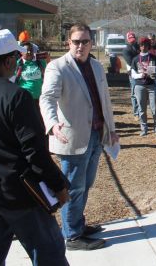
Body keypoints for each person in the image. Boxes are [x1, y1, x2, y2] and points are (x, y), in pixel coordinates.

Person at [0, 29, 69, 265]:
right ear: (8, 61)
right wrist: (58, 186)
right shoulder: (16, 97)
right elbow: (35, 152)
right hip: (21, 197)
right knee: (50, 256)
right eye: (16, 57)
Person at [40, 23, 119, 251]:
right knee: (73, 187)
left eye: (85, 41)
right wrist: (52, 124)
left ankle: (77, 224)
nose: (80, 46)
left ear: (91, 43)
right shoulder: (57, 67)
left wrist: (112, 129)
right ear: (69, 42)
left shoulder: (96, 66)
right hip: (72, 138)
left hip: (96, 135)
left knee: (86, 184)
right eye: (76, 41)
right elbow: (47, 98)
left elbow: (104, 101)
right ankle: (73, 236)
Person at [131, 37, 156, 137]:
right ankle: (144, 129)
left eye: (145, 45)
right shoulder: (135, 59)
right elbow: (133, 74)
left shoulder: (153, 57)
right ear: (139, 46)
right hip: (139, 86)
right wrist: (141, 75)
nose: (143, 47)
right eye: (141, 45)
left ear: (148, 46)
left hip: (152, 85)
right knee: (141, 108)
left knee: (155, 108)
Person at [122, 31, 140, 118]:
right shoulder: (126, 50)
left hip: (142, 72)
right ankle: (136, 113)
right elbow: (131, 62)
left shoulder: (139, 47)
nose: (132, 41)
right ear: (127, 39)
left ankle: (141, 111)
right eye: (130, 39)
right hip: (132, 73)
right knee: (134, 93)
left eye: (133, 39)